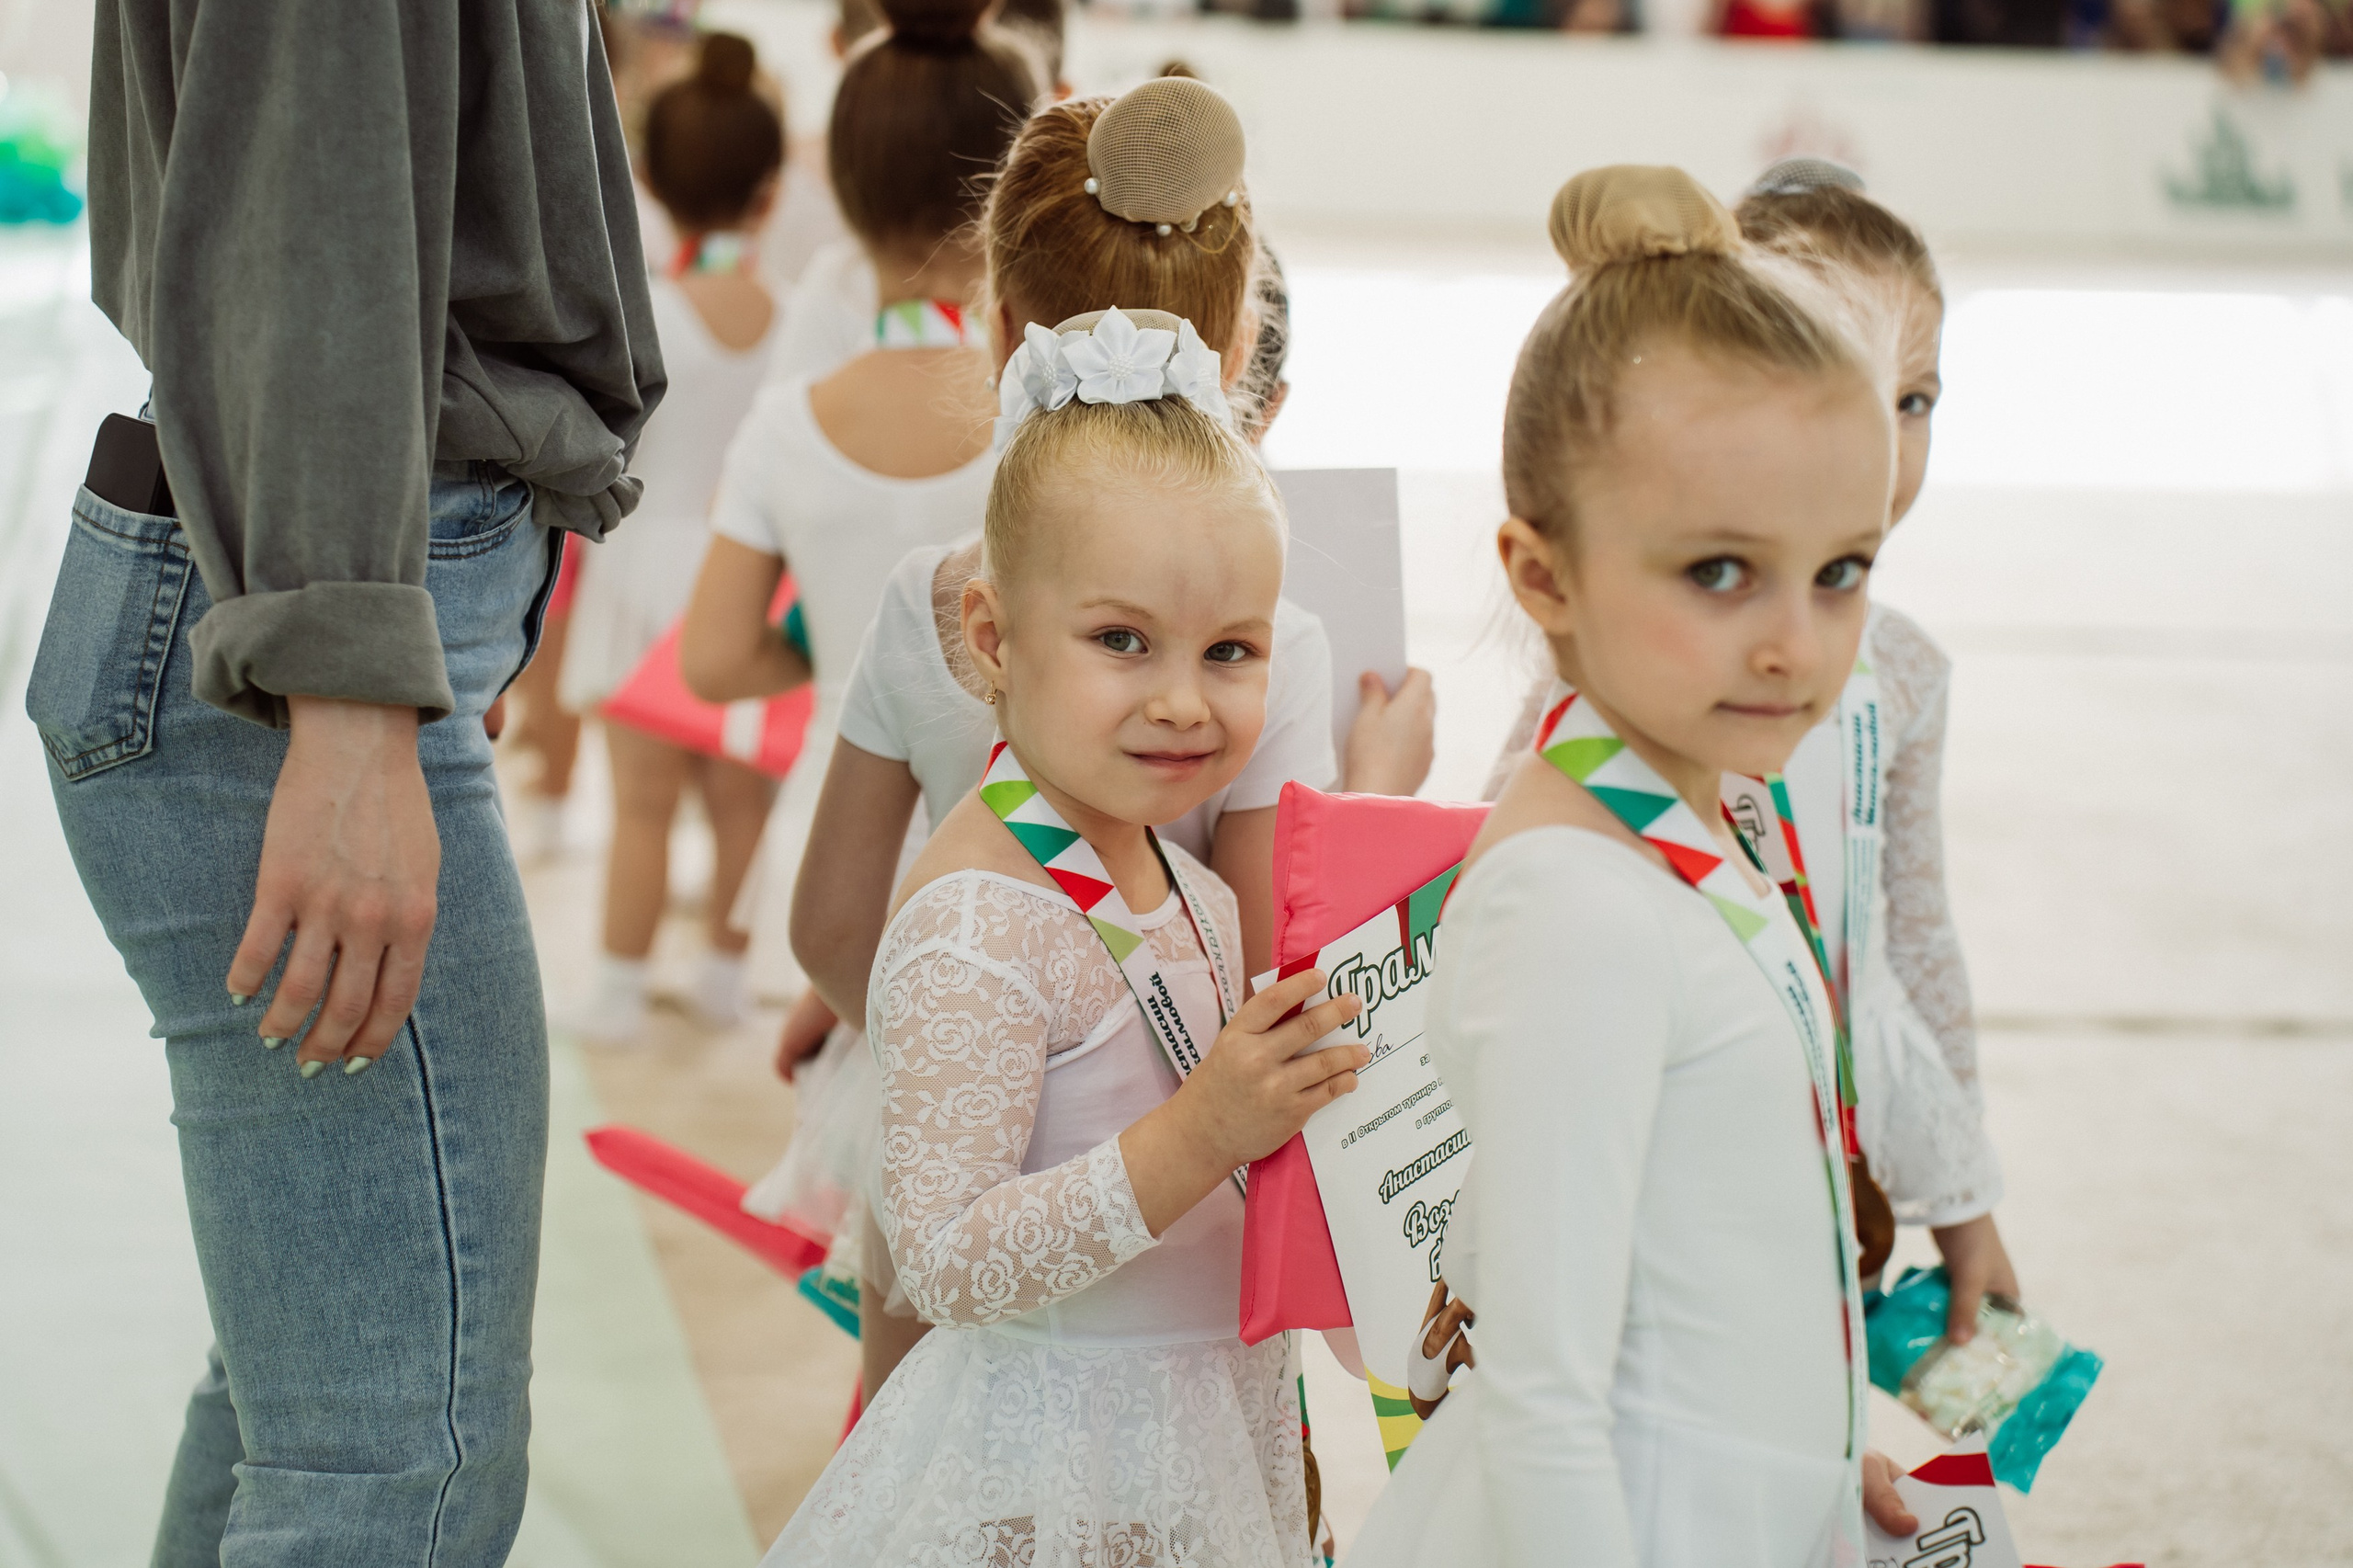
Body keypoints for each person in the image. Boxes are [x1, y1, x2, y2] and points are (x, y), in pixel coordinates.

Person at [30, 5, 661, 1562]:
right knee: (398, 1468)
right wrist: (354, 676)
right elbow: (312, 196)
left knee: (307, 1419)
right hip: (311, 625)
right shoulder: (338, 657)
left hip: (331, 585)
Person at [760, 79, 1436, 1404]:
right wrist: (1381, 790)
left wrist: (950, 1032)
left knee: (914, 1447)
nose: (1177, 691)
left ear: (1000, 325)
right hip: (1168, 1201)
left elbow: (836, 923)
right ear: (1238, 359)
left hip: (949, 1142)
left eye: (1202, 662)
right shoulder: (1272, 638)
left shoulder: (928, 595)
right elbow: (1265, 971)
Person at [1347, 165, 1914, 1567]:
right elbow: (1546, 1397)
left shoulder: (1704, 817)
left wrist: (1822, 1463)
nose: (1796, 641)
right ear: (1542, 577)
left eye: (1840, 569)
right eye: (1721, 572)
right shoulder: (1574, 901)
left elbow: (1697, 1258)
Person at [763, 306, 1368, 1568]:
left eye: (1232, 650)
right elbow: (941, 1258)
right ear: (992, 638)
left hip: (1201, 1455)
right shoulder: (978, 920)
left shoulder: (1193, 899)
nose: (1185, 699)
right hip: (1043, 1486)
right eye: (1122, 641)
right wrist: (1203, 1130)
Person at [1482, 155, 2017, 1346]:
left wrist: (1961, 1194)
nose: (1871, 427)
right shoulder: (1638, 682)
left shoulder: (1903, 674)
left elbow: (1908, 942)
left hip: (1820, 1136)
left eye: (1912, 397)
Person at [678, 0, 1044, 1005]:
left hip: (840, 833)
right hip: (1031, 838)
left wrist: (836, 649)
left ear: (840, 188)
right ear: (1012, 187)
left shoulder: (786, 427)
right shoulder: (1048, 415)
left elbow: (709, 659)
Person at [560, 31, 788, 1040]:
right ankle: (727, 982)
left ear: (643, 177)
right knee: (746, 803)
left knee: (640, 804)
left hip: (649, 565)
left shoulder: (640, 311)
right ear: (772, 188)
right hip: (752, 576)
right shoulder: (796, 317)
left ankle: (617, 990)